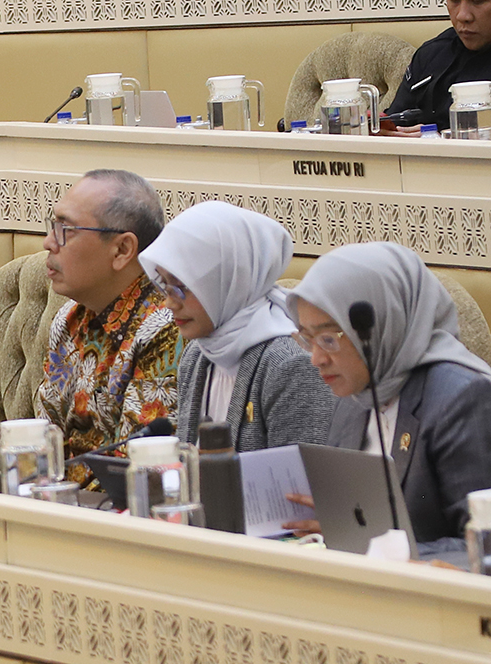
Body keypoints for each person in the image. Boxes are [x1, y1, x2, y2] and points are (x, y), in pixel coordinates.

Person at [286, 242, 491, 547]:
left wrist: (371, 546)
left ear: (383, 324)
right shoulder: (353, 396)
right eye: (307, 338)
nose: (316, 358)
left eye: (329, 338)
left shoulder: (462, 397)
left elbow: (482, 545)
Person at [138, 201, 335, 452]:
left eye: (182, 286)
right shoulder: (197, 355)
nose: (169, 302)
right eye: (164, 284)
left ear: (229, 280)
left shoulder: (290, 364)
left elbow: (299, 482)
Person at [34, 169, 180, 480]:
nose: (48, 242)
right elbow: (44, 447)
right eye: (52, 225)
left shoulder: (167, 326)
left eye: (66, 229)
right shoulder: (69, 319)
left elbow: (138, 471)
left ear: (122, 250)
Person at [383, 0, 491, 135]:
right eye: (454, 1)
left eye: (478, 1)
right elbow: (393, 123)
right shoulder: (430, 54)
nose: (462, 16)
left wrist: (442, 140)